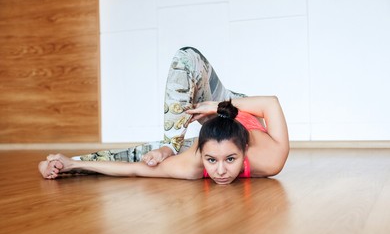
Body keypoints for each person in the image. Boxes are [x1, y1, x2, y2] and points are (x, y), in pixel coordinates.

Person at [38, 47, 289, 185]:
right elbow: (269, 103)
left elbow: (269, 103)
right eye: (212, 160)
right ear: (201, 151)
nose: (221, 171)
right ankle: (171, 144)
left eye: (230, 159)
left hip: (227, 110)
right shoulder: (194, 162)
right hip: (220, 107)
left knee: (143, 155)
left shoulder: (270, 157)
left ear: (245, 149)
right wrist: (215, 106)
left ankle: (63, 164)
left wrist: (75, 164)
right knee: (186, 58)